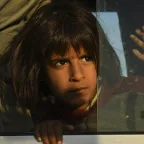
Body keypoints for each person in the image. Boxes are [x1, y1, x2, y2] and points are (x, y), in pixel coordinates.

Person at [1, 1, 144, 144]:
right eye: (61, 62)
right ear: (40, 70)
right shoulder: (30, 114)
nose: (77, 75)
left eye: (86, 58)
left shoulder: (134, 95)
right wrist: (43, 129)